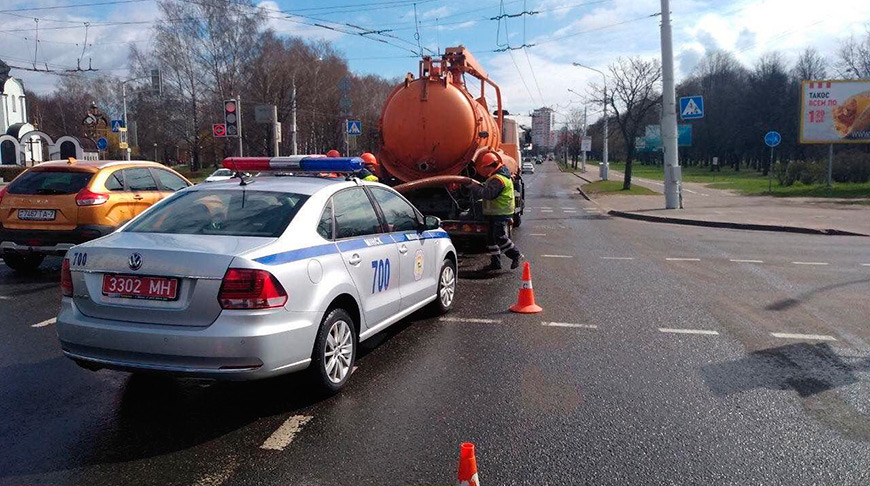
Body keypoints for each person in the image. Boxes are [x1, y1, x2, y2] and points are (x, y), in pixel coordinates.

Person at [467, 153, 523, 271]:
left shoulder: (498, 179)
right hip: (495, 213)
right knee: (491, 239)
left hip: (500, 214)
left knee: (500, 237)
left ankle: (515, 255)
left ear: (490, 166)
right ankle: (495, 263)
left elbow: (488, 194)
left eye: (485, 167)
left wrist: (473, 187)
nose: (484, 170)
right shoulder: (497, 176)